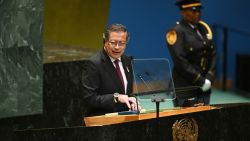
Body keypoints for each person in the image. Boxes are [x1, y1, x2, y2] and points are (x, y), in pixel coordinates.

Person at [81, 23, 139, 116]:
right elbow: (89, 99)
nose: (117, 47)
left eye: (121, 43)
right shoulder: (94, 63)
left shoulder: (127, 61)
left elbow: (127, 92)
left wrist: (133, 101)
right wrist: (115, 98)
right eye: (113, 42)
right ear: (105, 41)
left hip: (124, 120)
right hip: (102, 123)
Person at [166, 0, 216, 107]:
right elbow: (180, 61)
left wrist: (210, 77)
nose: (197, 13)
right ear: (183, 12)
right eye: (193, 11)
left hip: (205, 86)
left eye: (198, 10)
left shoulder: (203, 29)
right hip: (185, 87)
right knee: (186, 121)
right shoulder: (176, 31)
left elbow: (212, 54)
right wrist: (201, 81)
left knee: (204, 119)